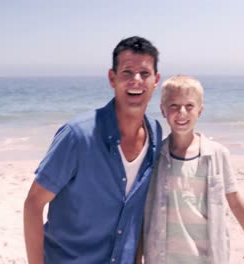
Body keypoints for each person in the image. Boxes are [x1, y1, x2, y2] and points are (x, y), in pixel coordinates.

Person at [23, 36, 162, 264]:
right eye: (127, 72)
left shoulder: (155, 133)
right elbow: (33, 204)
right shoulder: (78, 135)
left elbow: (137, 213)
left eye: (144, 73)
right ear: (112, 78)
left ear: (155, 80)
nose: (136, 80)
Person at [141, 75, 244, 264]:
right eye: (174, 106)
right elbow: (141, 213)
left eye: (189, 106)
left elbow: (235, 202)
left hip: (207, 258)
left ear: (200, 111)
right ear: (163, 110)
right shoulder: (155, 157)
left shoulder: (217, 154)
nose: (181, 112)